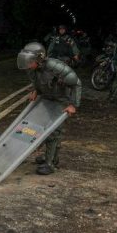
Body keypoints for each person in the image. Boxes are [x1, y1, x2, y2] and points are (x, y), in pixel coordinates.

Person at [17, 42, 81, 175]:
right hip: (47, 97)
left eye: (30, 61)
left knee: (54, 132)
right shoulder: (32, 69)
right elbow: (38, 81)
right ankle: (48, 157)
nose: (28, 64)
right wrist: (36, 91)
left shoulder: (54, 66)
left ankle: (51, 163)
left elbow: (76, 83)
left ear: (39, 59)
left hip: (61, 100)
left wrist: (73, 105)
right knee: (40, 128)